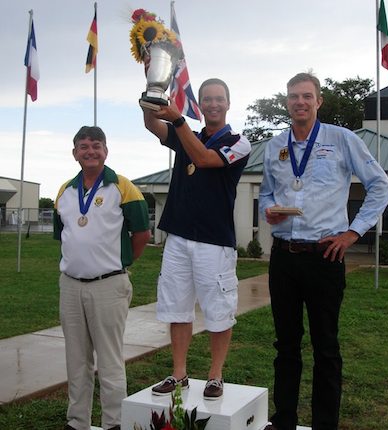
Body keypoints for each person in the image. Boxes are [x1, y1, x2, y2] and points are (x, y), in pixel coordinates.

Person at [259, 72, 388, 430]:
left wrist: (353, 233)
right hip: (284, 256)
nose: (299, 102)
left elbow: (381, 186)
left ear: (319, 101)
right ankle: (283, 420)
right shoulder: (274, 146)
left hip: (325, 256)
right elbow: (266, 193)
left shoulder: (342, 139)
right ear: (286, 102)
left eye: (306, 96)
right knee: (285, 345)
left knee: (326, 347)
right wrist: (268, 210)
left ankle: (324, 424)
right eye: (292, 96)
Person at [142, 78, 251, 400]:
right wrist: (151, 95)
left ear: (228, 103)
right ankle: (179, 374)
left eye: (219, 99)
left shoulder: (239, 142)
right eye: (207, 100)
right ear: (199, 104)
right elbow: (152, 125)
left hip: (214, 242)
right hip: (178, 236)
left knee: (218, 309)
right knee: (176, 308)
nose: (213, 105)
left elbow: (204, 159)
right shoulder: (186, 133)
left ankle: (215, 376)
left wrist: (177, 119)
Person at [53, 126, 151, 430]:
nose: (90, 151)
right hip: (70, 285)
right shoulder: (64, 192)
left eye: (96, 145)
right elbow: (64, 236)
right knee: (76, 359)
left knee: (109, 361)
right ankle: (77, 421)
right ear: (75, 154)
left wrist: (119, 264)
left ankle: (114, 423)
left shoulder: (123, 187)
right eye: (83, 146)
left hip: (109, 285)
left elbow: (142, 234)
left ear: (105, 151)